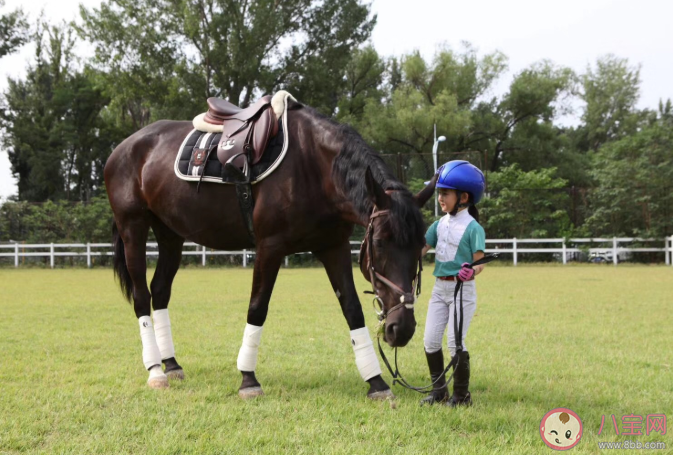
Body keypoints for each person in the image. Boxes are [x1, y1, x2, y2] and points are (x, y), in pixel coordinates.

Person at [420, 160, 486, 406]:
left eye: (444, 193)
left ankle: (462, 396)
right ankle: (439, 392)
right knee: (430, 340)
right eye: (439, 193)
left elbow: (480, 261)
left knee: (455, 341)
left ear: (464, 197)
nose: (440, 198)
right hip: (440, 289)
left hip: (462, 289)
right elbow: (422, 249)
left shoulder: (473, 227)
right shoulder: (439, 225)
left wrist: (473, 270)